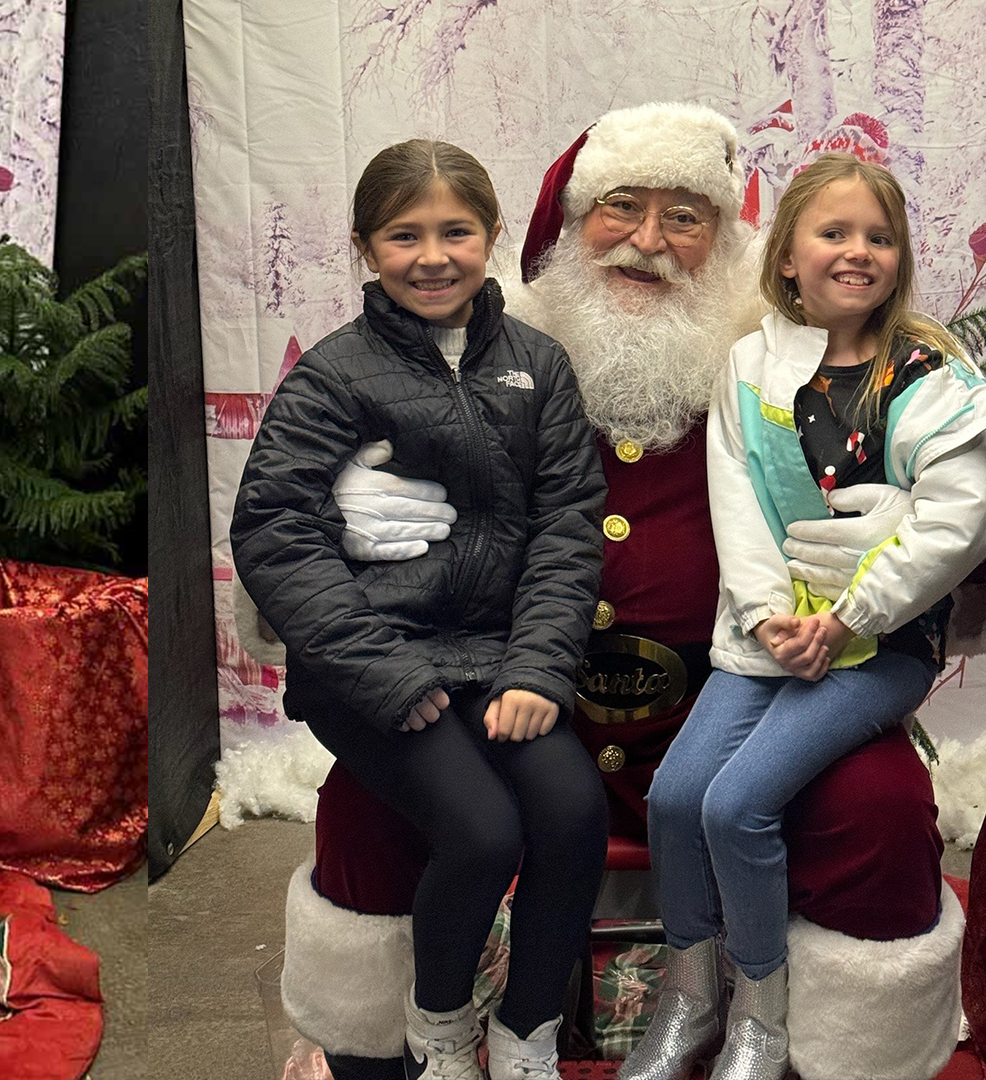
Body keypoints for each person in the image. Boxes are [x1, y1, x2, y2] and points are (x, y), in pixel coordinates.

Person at [288, 103, 986, 1080]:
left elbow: (967, 490)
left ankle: (824, 1052)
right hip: (509, 716)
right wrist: (339, 512)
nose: (649, 243)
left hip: (748, 712)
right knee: (368, 801)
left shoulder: (782, 359)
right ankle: (390, 1056)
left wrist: (941, 523)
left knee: (882, 805)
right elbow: (292, 536)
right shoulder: (471, 360)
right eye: (620, 208)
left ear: (731, 242)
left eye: (685, 216)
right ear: (562, 230)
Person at [621, 153, 986, 1080]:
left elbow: (961, 521)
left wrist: (851, 614)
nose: (858, 252)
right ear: (788, 256)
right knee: (676, 797)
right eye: (833, 233)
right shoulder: (752, 365)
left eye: (878, 237)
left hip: (880, 644)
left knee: (739, 803)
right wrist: (764, 617)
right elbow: (738, 499)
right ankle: (690, 993)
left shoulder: (926, 372)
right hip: (771, 640)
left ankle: (762, 1013)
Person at [235, 139, 609, 1080]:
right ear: (366, 248)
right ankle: (438, 1031)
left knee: (570, 815)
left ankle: (528, 1034)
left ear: (490, 236)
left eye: (456, 231)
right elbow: (275, 529)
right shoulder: (333, 374)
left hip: (498, 659)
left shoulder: (540, 366)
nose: (433, 255)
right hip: (374, 666)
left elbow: (568, 524)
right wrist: (383, 674)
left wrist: (537, 669)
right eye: (406, 235)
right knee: (481, 831)